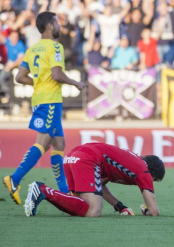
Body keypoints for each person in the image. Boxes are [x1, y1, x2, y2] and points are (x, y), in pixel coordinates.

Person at [3, 11, 85, 205]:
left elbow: (20, 77)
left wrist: (38, 83)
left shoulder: (32, 49)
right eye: (56, 22)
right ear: (49, 26)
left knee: (59, 144)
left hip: (42, 99)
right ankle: (14, 179)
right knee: (43, 143)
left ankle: (65, 192)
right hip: (50, 101)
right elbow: (57, 74)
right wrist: (75, 82)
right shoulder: (55, 47)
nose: (59, 26)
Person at [24, 143, 165, 218]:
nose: (151, 182)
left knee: (81, 208)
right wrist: (147, 210)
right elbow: (154, 212)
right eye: (155, 180)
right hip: (87, 159)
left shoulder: (131, 163)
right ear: (152, 172)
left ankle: (42, 192)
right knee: (94, 211)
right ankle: (42, 190)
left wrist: (120, 207)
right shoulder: (143, 171)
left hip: (73, 156)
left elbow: (100, 185)